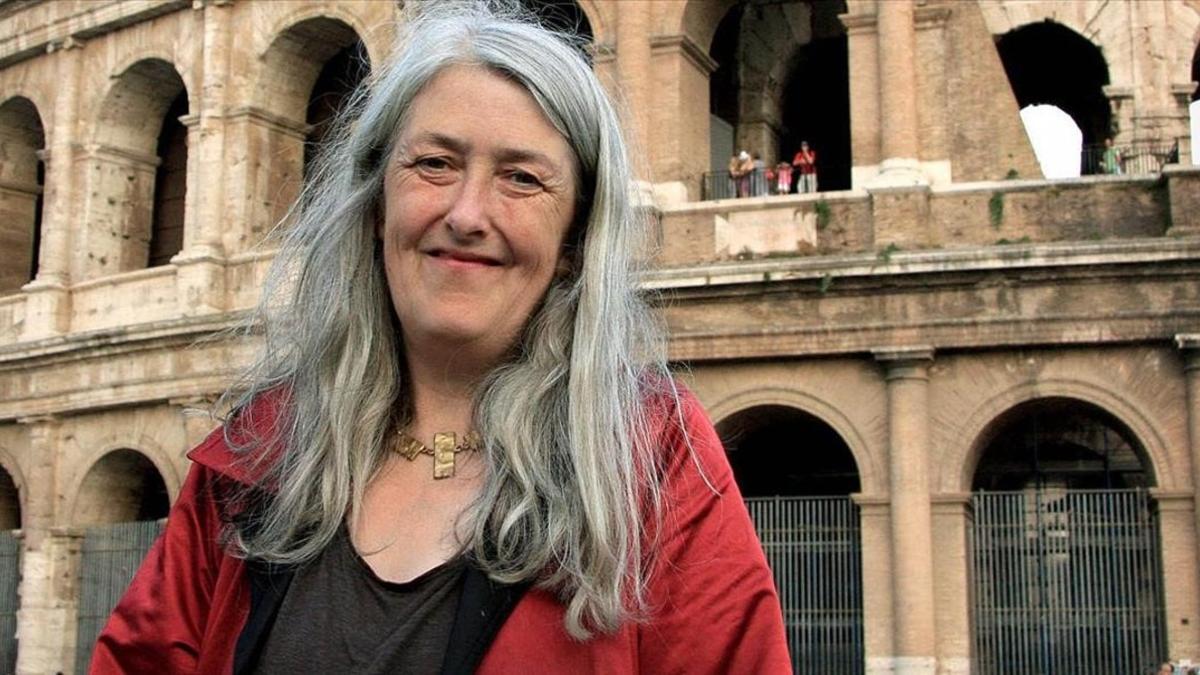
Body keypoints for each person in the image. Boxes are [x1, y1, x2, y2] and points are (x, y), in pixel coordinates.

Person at [90, 4, 790, 675]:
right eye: (435, 163)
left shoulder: (652, 455)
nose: (466, 213)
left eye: (522, 177)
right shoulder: (256, 450)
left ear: (575, 238)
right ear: (374, 204)